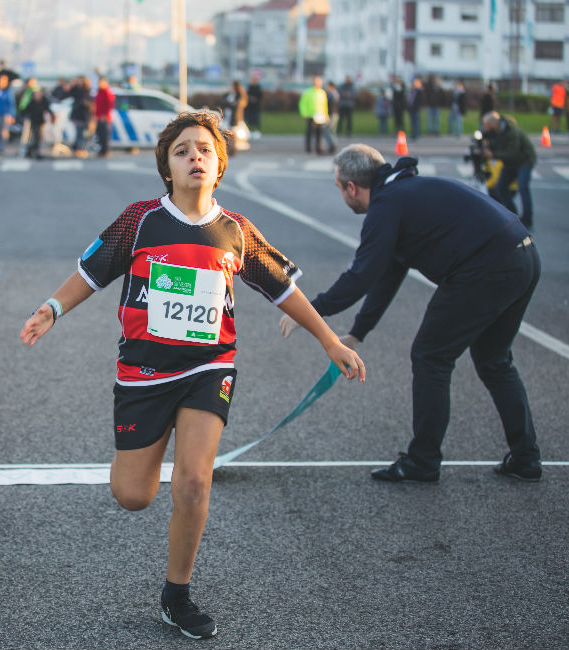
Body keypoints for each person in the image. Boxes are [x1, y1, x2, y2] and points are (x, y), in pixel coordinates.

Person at [20, 112, 365, 640]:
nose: (195, 157)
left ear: (219, 165)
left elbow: (283, 290)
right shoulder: (139, 220)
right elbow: (91, 273)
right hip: (143, 371)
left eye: (204, 149)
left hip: (210, 366)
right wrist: (52, 308)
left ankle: (176, 594)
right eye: (182, 150)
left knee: (194, 481)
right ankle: (145, 459)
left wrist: (329, 339)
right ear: (167, 167)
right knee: (133, 495)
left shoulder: (237, 231)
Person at [279, 144, 541, 484]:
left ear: (351, 187)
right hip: (524, 255)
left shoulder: (387, 206)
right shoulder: (405, 193)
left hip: (486, 267)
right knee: (494, 361)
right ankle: (525, 458)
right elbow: (388, 274)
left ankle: (423, 461)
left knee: (431, 356)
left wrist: (307, 311)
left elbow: (361, 277)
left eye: (339, 187)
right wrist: (358, 333)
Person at [482, 111, 536, 229]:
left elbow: (512, 153)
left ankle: (527, 218)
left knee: (523, 187)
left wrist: (493, 154)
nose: (485, 128)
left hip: (524, 161)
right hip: (511, 163)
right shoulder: (497, 132)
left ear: (492, 124)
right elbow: (497, 145)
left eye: (486, 125)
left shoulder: (512, 132)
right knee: (501, 187)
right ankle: (513, 214)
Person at [299, 77, 329, 155]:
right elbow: (303, 104)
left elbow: (324, 105)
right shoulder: (308, 92)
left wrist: (326, 115)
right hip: (311, 115)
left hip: (320, 116)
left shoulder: (322, 92)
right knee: (309, 132)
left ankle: (319, 148)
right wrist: (304, 114)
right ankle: (308, 148)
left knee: (319, 133)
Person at [22, 86, 53, 159]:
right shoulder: (32, 102)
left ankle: (29, 150)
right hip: (33, 121)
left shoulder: (44, 101)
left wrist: (52, 116)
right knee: (36, 137)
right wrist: (24, 117)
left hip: (40, 121)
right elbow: (26, 111)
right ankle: (36, 152)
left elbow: (47, 109)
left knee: (36, 138)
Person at [69, 76, 92, 158]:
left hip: (85, 116)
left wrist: (87, 104)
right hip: (78, 115)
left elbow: (91, 102)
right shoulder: (76, 90)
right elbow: (68, 94)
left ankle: (83, 149)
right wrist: (72, 84)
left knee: (85, 134)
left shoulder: (87, 90)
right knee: (79, 134)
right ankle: (79, 149)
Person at [93, 77, 115, 157]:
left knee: (105, 135)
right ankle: (101, 150)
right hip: (99, 117)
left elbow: (110, 104)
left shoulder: (107, 92)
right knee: (100, 135)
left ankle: (105, 151)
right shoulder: (99, 91)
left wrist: (105, 115)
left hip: (105, 118)